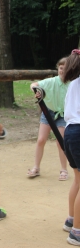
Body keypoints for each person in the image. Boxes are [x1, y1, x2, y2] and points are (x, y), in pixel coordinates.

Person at [27, 57, 69, 180]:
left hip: (63, 115)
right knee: (41, 140)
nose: (63, 71)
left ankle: (64, 170)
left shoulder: (72, 83)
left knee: (61, 142)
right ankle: (36, 167)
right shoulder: (51, 81)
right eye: (61, 68)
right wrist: (37, 90)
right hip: (48, 113)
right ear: (58, 68)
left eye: (66, 69)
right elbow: (33, 84)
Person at [61, 49, 80, 245]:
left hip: (71, 133)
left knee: (78, 179)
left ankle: (72, 219)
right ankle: (76, 232)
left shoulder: (73, 83)